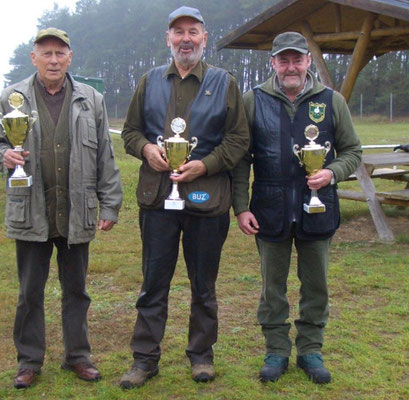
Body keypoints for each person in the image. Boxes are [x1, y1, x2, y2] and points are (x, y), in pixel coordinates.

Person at [0, 27, 122, 389]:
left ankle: (77, 356)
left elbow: (105, 154)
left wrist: (110, 204)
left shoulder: (91, 99)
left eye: (60, 53)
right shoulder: (11, 98)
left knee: (76, 290)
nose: (54, 60)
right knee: (30, 292)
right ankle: (29, 361)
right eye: (46, 53)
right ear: (34, 58)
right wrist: (5, 155)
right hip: (31, 211)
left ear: (70, 57)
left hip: (76, 212)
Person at [119, 6, 249, 389]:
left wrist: (204, 165)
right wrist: (146, 150)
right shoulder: (149, 80)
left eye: (193, 31)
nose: (186, 39)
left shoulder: (225, 82)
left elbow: (239, 139)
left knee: (203, 285)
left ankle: (202, 355)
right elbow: (129, 132)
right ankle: (144, 360)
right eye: (179, 32)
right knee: (153, 283)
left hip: (208, 200)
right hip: (158, 199)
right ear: (168, 39)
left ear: (204, 38)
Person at [232, 32, 362, 384]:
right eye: (283, 60)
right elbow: (242, 159)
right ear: (273, 63)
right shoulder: (253, 100)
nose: (291, 66)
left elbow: (352, 152)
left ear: (308, 61)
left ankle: (310, 350)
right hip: (269, 207)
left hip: (317, 208)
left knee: (316, 285)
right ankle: (276, 350)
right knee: (272, 287)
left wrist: (331, 173)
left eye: (297, 59)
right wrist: (241, 207)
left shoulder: (331, 101)